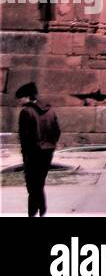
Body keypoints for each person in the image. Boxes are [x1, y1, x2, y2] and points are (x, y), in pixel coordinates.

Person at [16, 82, 60, 218]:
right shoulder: (50, 111)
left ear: (27, 97)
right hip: (47, 152)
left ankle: (35, 212)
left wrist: (25, 157)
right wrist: (51, 144)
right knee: (39, 184)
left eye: (20, 98)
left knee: (32, 186)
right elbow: (57, 131)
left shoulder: (26, 112)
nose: (19, 101)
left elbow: (25, 138)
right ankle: (41, 211)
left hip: (33, 153)